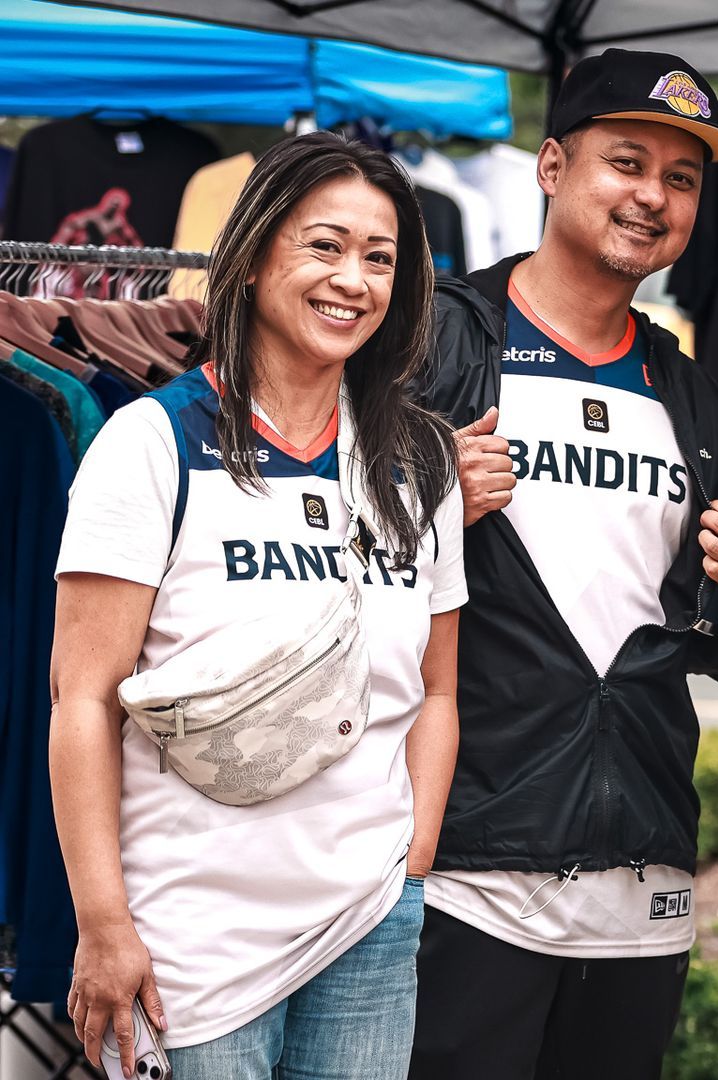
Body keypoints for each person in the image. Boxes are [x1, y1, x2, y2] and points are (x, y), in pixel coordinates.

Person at [407, 50, 718, 1080]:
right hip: (464, 871)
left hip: (642, 879)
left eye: (682, 178)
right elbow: (330, 571)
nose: (653, 196)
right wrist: (426, 505)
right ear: (550, 167)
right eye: (627, 162)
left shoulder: (692, 396)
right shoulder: (436, 344)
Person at [50, 131, 462, 1078]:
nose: (353, 280)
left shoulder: (420, 463)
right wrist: (103, 923)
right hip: (188, 940)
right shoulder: (150, 443)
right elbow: (82, 702)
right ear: (250, 255)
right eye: (325, 245)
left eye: (380, 258)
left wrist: (411, 865)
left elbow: (437, 689)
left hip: (367, 923)